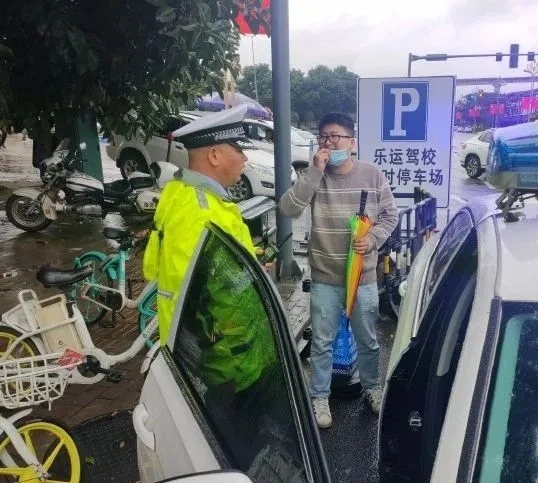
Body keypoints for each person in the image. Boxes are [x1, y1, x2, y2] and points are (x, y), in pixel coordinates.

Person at [279, 112, 399, 428]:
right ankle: (320, 397)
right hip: (324, 277)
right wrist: (314, 173)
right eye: (324, 137)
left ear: (352, 142)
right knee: (321, 341)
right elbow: (287, 209)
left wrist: (372, 239)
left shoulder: (372, 175)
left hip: (363, 277)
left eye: (336, 137)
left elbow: (390, 215)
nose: (329, 143)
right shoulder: (314, 176)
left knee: (368, 339)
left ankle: (373, 389)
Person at [142, 104, 258, 346]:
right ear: (214, 155)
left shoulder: (186, 193)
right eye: (239, 150)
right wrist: (249, 276)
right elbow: (198, 288)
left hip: (208, 342)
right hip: (215, 350)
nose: (245, 158)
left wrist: (248, 260)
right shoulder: (199, 211)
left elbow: (208, 262)